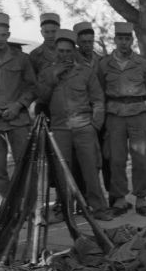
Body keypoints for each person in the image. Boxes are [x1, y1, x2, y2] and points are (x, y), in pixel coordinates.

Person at [38, 29, 113, 221]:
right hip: (60, 128)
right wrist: (54, 77)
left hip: (83, 126)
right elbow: (42, 99)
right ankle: (65, 210)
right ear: (55, 51)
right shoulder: (47, 73)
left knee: (91, 170)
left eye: (68, 51)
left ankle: (100, 209)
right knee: (62, 173)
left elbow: (98, 100)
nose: (64, 55)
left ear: (74, 51)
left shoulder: (85, 72)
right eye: (60, 51)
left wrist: (94, 125)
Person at [98, 22, 146, 216]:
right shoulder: (104, 64)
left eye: (127, 39)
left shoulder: (143, 64)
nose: (123, 42)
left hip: (138, 114)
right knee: (116, 158)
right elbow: (99, 90)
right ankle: (120, 198)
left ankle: (141, 198)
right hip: (114, 115)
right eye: (120, 39)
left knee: (141, 158)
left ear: (132, 40)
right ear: (114, 40)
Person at [0, 12, 37, 207]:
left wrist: (18, 105)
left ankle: (29, 209)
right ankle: (3, 211)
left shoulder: (21, 58)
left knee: (24, 166)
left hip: (18, 120)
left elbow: (33, 87)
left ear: (8, 34)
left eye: (3, 35)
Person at [73, 21, 110, 201]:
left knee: (106, 157)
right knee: (84, 161)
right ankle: (84, 198)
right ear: (77, 42)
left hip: (100, 114)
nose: (87, 45)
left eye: (90, 41)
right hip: (81, 116)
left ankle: (111, 195)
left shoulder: (101, 61)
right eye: (84, 41)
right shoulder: (72, 61)